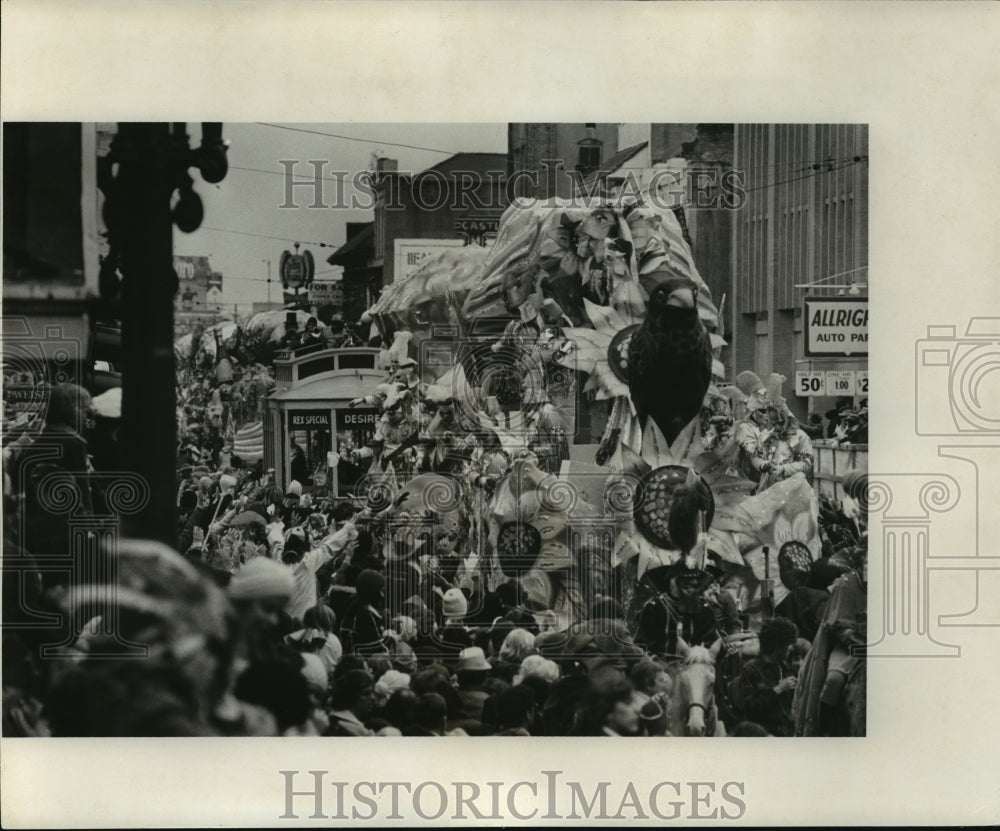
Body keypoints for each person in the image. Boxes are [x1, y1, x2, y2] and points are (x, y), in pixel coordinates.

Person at [729, 616, 799, 737]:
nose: (791, 648)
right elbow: (749, 708)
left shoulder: (786, 669)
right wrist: (778, 690)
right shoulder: (751, 671)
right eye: (787, 644)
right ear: (777, 645)